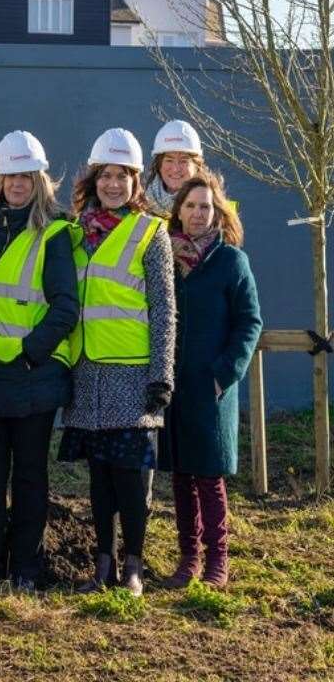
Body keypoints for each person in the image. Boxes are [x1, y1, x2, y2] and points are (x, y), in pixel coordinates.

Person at [0, 131, 80, 600]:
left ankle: (26, 567)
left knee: (30, 476)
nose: (16, 184)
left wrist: (31, 352)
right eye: (9, 175)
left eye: (26, 176)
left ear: (39, 180)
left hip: (31, 377)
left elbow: (65, 307)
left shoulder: (53, 233)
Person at [58, 127, 175, 598]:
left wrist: (162, 374)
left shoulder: (153, 232)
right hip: (89, 374)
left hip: (133, 375)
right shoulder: (77, 232)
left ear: (135, 182)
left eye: (121, 176)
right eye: (104, 175)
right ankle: (102, 562)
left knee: (131, 480)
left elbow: (165, 307)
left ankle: (133, 566)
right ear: (93, 179)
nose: (112, 184)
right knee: (100, 477)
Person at [160, 173, 261, 589]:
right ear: (178, 211)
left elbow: (249, 322)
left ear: (216, 211)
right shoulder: (165, 256)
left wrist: (224, 374)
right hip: (173, 386)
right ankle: (189, 559)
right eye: (190, 206)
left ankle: (218, 560)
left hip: (210, 387)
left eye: (205, 206)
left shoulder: (231, 261)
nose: (198, 213)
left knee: (209, 475)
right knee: (181, 474)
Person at [146, 119, 213, 213]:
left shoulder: (214, 212)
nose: (175, 169)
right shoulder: (140, 207)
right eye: (169, 160)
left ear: (197, 166)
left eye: (183, 161)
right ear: (159, 165)